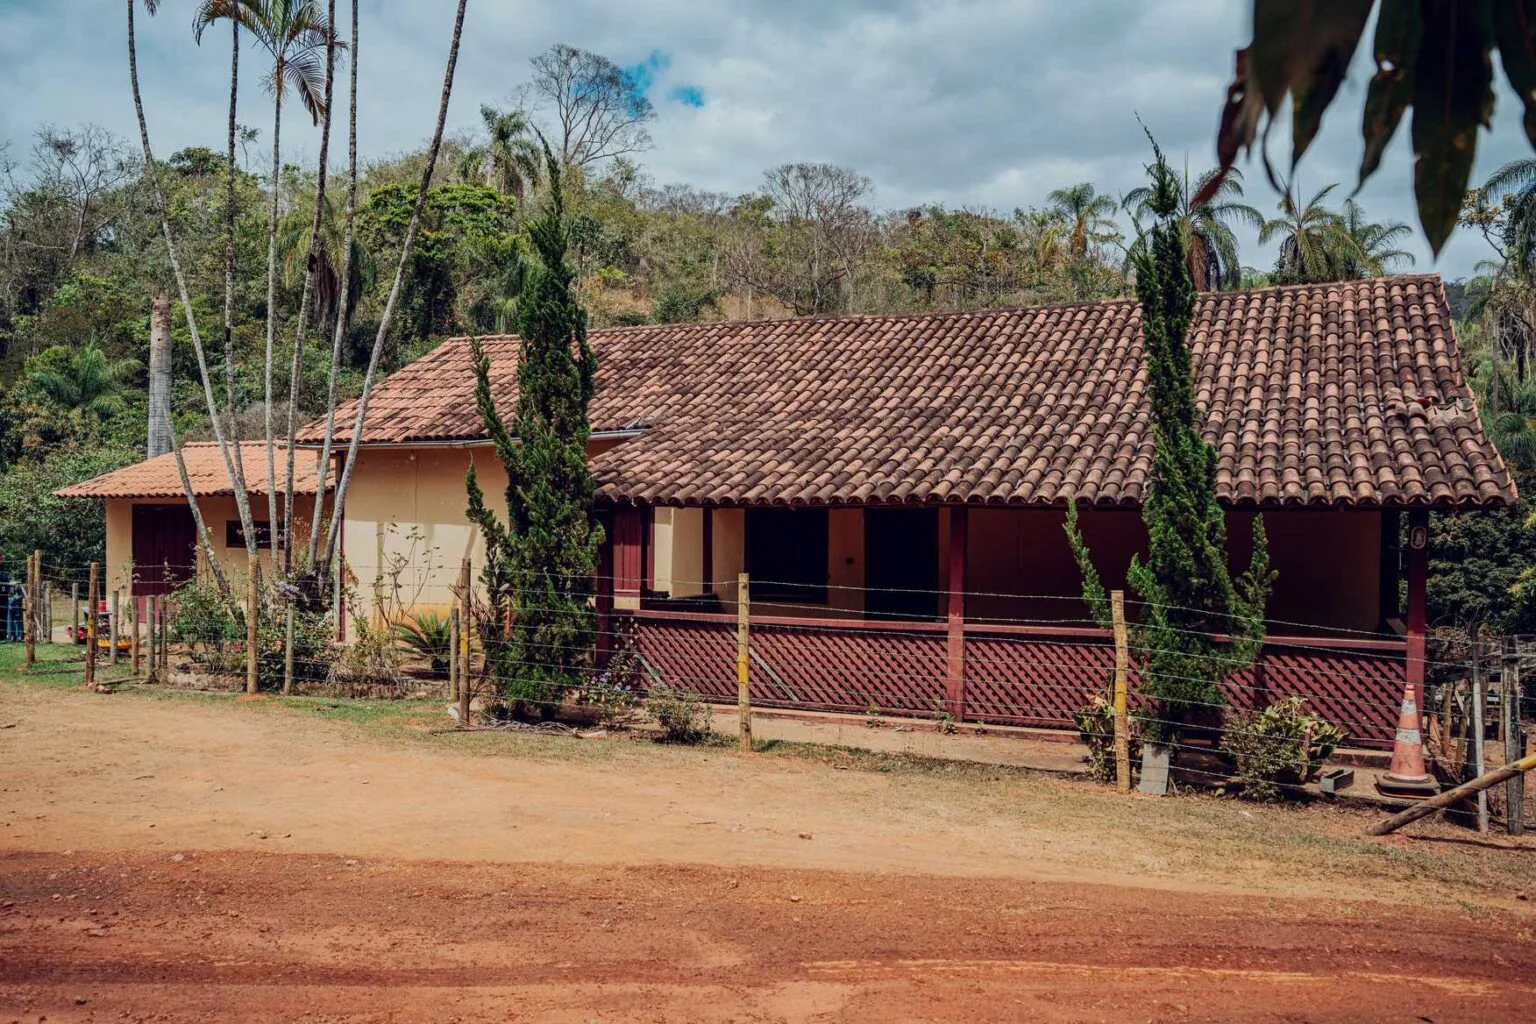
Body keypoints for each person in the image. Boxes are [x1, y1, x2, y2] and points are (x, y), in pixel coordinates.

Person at [1, 556, 22, 643]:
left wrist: (10, 581)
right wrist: (9, 583)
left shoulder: (3, 567)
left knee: (3, 615)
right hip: (1, 594)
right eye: (1, 559)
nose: (3, 560)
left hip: (3, 594)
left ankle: (3, 636)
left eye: (3, 558)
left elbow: (4, 577)